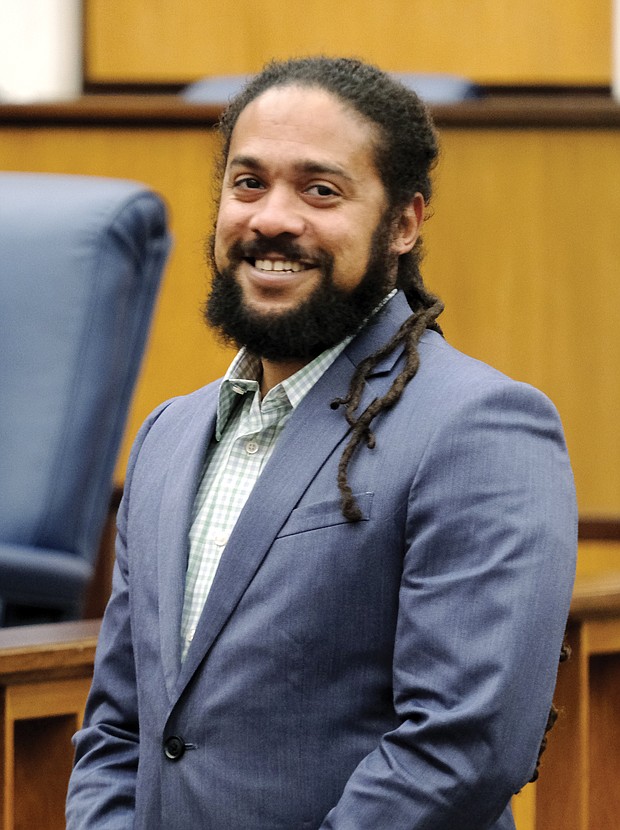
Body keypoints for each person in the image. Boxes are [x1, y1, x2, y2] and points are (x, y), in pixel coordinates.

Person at [66, 56, 577, 829]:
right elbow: (117, 728)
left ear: (403, 223)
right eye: (248, 184)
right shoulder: (166, 435)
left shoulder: (483, 426)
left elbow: (462, 747)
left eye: (320, 190)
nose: (271, 219)